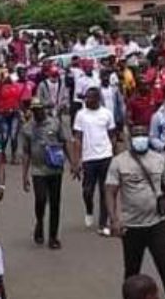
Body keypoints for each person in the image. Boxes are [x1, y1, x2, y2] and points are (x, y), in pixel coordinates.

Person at [105, 125, 165, 299]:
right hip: (132, 226)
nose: (140, 138)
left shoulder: (159, 160)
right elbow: (110, 191)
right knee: (132, 271)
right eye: (136, 135)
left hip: (157, 224)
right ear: (130, 139)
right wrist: (114, 219)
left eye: (143, 135)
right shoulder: (119, 162)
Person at [20, 98, 69, 248]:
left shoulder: (55, 123)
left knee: (55, 203)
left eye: (39, 109)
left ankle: (53, 237)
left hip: (55, 169)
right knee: (40, 199)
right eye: (34, 110)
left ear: (44, 109)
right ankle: (39, 222)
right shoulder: (27, 128)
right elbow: (26, 152)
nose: (37, 112)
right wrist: (24, 175)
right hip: (38, 170)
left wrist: (73, 163)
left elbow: (64, 143)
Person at [72, 86, 117, 235]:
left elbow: (112, 135)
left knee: (105, 191)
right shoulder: (81, 115)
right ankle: (89, 209)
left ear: (97, 99)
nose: (87, 100)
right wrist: (76, 161)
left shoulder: (106, 113)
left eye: (90, 98)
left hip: (105, 156)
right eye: (86, 98)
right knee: (87, 190)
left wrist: (114, 154)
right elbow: (77, 138)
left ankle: (103, 223)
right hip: (89, 157)